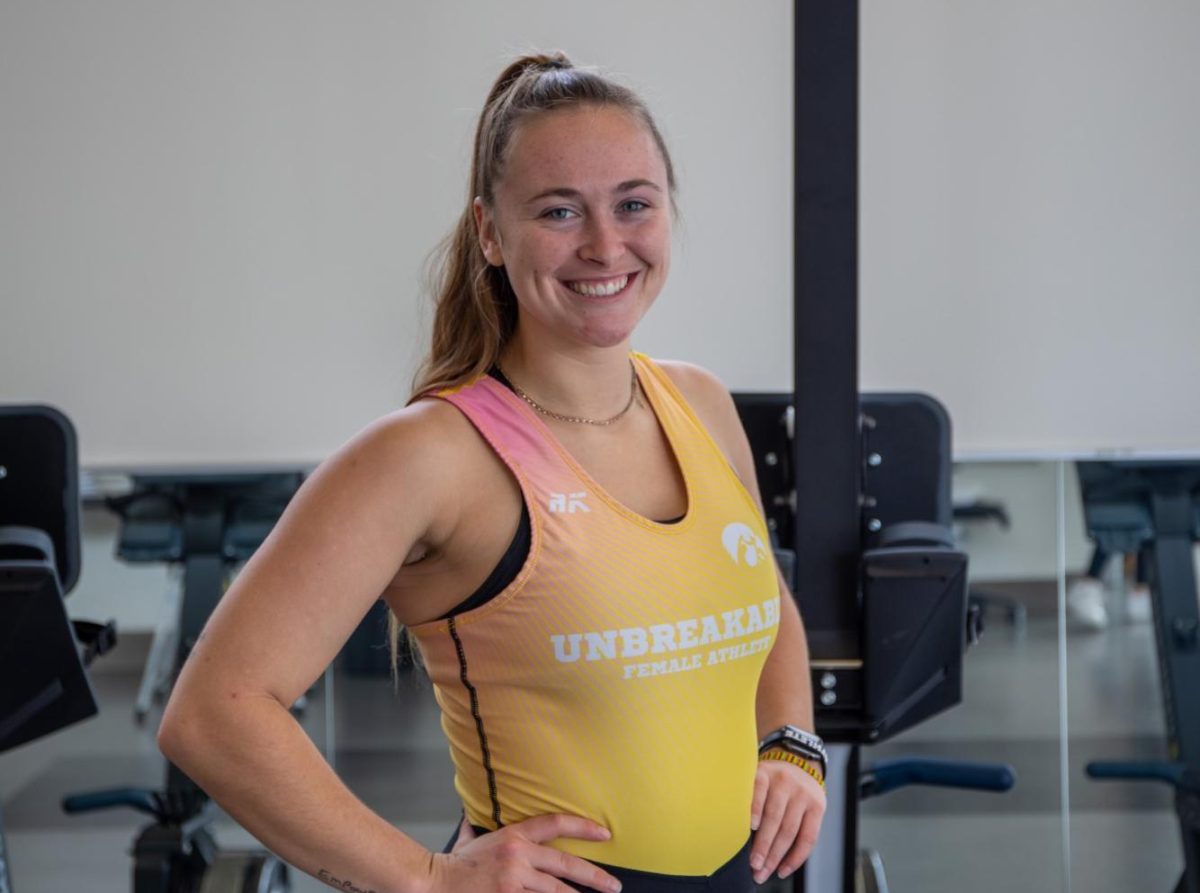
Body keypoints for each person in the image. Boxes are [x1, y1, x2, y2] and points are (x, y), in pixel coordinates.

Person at [159, 52, 826, 893]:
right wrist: (428, 878)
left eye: (634, 204)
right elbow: (215, 713)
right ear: (488, 232)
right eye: (558, 211)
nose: (604, 244)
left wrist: (792, 742)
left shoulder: (700, 402)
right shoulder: (429, 454)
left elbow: (767, 603)